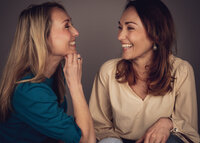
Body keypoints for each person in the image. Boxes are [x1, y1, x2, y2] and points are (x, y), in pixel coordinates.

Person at [89, 0, 200, 143]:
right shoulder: (108, 71)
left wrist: (168, 123)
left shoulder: (181, 71)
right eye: (120, 27)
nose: (120, 36)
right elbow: (98, 125)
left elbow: (188, 129)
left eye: (130, 28)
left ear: (156, 34)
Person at [0, 2, 95, 143]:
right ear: (42, 36)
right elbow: (87, 141)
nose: (76, 32)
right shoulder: (29, 91)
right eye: (67, 26)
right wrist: (76, 85)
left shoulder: (56, 73)